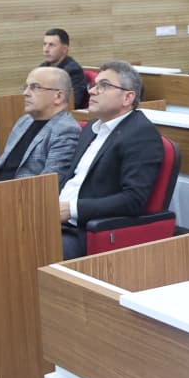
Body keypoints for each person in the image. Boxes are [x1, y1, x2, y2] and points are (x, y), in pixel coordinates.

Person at [57, 62, 164, 260]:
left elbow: (133, 200)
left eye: (103, 86)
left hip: (88, 230)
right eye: (94, 85)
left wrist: (71, 209)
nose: (93, 91)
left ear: (128, 97)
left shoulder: (141, 134)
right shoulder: (91, 128)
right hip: (58, 219)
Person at [0, 67, 82, 183]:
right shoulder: (24, 121)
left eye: (35, 87)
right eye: (26, 87)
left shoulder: (66, 131)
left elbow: (48, 185)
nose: (25, 93)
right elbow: (2, 169)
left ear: (58, 96)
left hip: (22, 196)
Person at [41, 28, 88, 110]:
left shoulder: (73, 71)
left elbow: (73, 102)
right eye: (44, 44)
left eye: (51, 45)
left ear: (64, 49)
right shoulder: (42, 68)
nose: (46, 49)